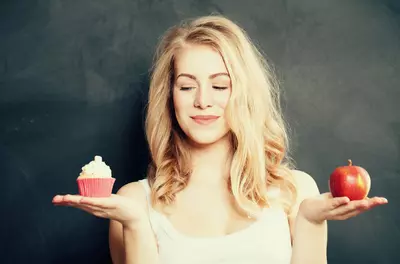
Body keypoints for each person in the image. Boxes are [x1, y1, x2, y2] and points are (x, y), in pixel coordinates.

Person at [52, 15, 388, 264]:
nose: (202, 101)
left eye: (220, 85)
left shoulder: (296, 192)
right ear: (169, 97)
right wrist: (137, 225)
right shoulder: (133, 203)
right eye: (186, 86)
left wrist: (311, 222)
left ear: (244, 94)